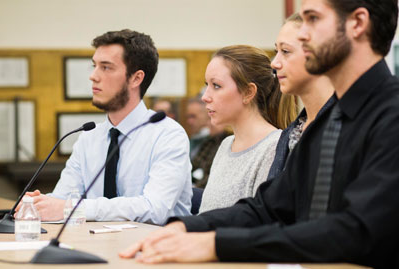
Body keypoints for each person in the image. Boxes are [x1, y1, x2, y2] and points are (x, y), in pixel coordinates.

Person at [119, 0, 399, 268]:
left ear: (358, 23)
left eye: (313, 19)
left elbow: (356, 232)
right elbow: (268, 207)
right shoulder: (327, 122)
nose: (303, 33)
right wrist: (185, 227)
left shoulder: (391, 115)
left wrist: (216, 245)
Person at [19, 29, 192, 225]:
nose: (93, 76)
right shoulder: (89, 137)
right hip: (96, 245)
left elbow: (154, 209)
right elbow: (62, 199)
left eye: (106, 67)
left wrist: (74, 207)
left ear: (136, 78)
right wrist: (38, 204)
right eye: (94, 66)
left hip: (154, 248)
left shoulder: (168, 134)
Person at [198, 45, 297, 213]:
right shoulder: (226, 144)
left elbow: (258, 224)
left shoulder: (274, 148)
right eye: (207, 84)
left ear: (248, 92)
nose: (205, 97)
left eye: (216, 86)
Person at [267, 13, 335, 180]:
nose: (274, 63)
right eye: (277, 51)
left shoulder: (345, 129)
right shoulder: (290, 133)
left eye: (285, 51)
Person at [191, 123, 230, 188]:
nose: (210, 124)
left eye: (216, 121)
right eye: (209, 119)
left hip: (211, 187)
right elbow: (194, 164)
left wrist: (196, 187)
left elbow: (216, 175)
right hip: (198, 183)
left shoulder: (228, 143)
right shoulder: (209, 141)